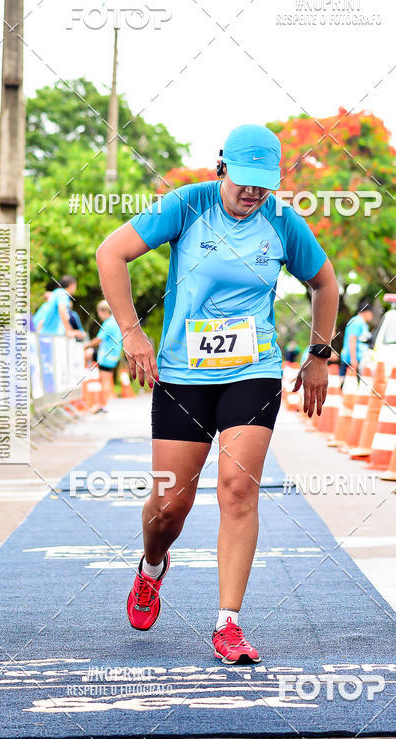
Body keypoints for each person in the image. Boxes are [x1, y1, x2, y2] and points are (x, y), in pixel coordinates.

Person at [96, 123, 339, 665]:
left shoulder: (282, 222)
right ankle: (152, 568)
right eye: (244, 182)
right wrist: (132, 333)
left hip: (252, 371)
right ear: (221, 168)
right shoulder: (187, 205)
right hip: (183, 375)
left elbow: (325, 283)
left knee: (236, 490)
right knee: (170, 507)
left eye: (264, 184)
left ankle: (228, 622)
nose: (253, 193)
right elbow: (110, 253)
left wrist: (320, 354)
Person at [84, 300, 123, 408]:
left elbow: (98, 340)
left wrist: (86, 346)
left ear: (104, 311)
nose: (99, 315)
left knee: (104, 381)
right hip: (113, 356)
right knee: (106, 380)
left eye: (99, 313)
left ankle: (102, 405)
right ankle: (102, 404)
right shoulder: (115, 322)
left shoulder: (108, 323)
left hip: (105, 356)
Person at [339, 302, 373, 377]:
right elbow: (352, 339)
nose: (372, 316)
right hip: (350, 360)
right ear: (366, 312)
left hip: (358, 360)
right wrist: (353, 359)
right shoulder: (357, 322)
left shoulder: (362, 323)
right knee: (347, 383)